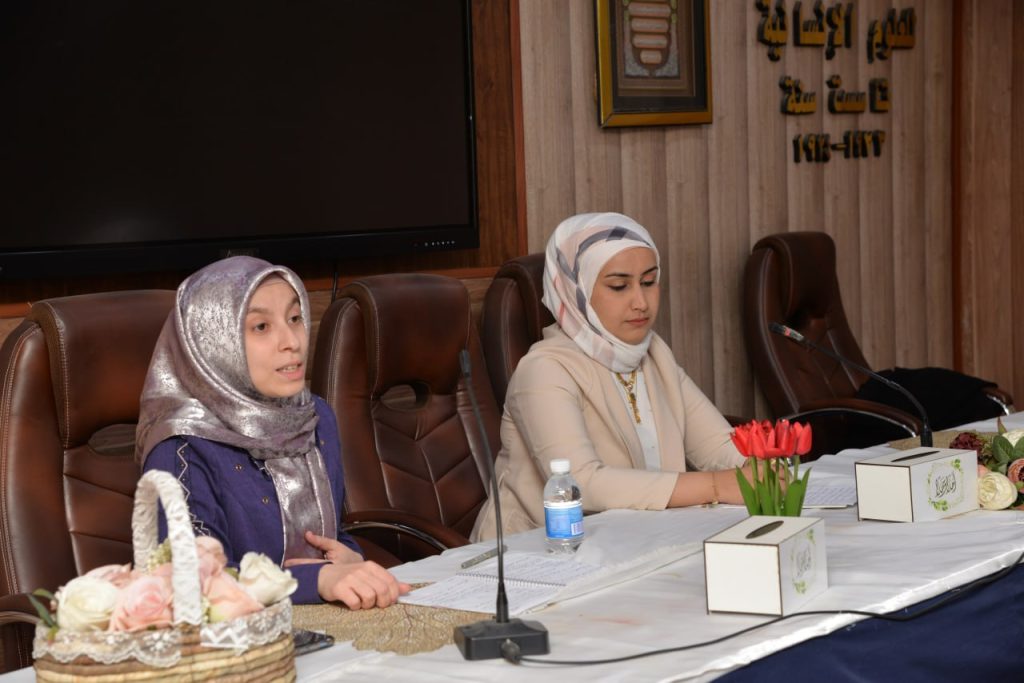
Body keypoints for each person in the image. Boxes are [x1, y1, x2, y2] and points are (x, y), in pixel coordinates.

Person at [136, 255, 409, 608]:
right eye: (261, 326)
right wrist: (317, 580)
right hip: (243, 638)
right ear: (213, 340)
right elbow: (191, 585)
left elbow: (329, 536)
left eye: (294, 318)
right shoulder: (181, 448)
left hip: (329, 621)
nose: (291, 341)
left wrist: (349, 558)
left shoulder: (314, 416)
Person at [471, 212, 749, 540]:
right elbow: (582, 483)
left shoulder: (653, 353)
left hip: (633, 540)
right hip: (538, 551)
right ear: (577, 291)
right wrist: (715, 486)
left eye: (649, 282)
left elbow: (719, 447)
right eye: (619, 286)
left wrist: (761, 469)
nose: (641, 302)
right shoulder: (543, 369)